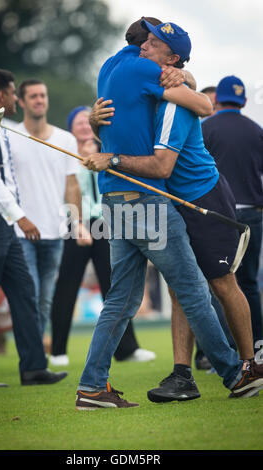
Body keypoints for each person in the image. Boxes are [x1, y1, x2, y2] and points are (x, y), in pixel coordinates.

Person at [74, 19, 263, 410]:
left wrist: (186, 76)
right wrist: (187, 82)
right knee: (195, 290)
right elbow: (205, 106)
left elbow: (133, 118)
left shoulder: (108, 67)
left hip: (118, 201)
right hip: (146, 201)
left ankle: (92, 387)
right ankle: (236, 374)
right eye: (150, 39)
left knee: (122, 301)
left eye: (156, 43)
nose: (149, 46)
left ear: (168, 54)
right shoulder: (150, 72)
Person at [0, 69, 67, 388]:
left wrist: (12, 218)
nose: (16, 101)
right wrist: (20, 216)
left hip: (1, 222)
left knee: (24, 292)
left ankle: (34, 367)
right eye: (12, 94)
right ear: (1, 97)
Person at [49, 106, 156, 366]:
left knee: (115, 284)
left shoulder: (106, 151)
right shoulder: (64, 153)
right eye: (79, 123)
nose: (85, 127)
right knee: (66, 285)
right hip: (74, 222)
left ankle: (127, 349)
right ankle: (58, 350)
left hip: (104, 221)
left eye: (88, 122)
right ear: (71, 127)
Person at [9, 79, 85, 338]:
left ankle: (36, 357)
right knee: (29, 295)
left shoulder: (65, 139)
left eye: (42, 95)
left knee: (44, 300)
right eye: (33, 96)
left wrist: (77, 223)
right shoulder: (9, 136)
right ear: (21, 102)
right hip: (22, 233)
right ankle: (33, 360)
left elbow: (72, 185)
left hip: (54, 232)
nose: (39, 100)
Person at [202, 75, 263, 353]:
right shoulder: (256, 130)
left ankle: (229, 349)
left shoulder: (205, 128)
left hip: (217, 216)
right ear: (244, 101)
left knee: (220, 284)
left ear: (216, 99)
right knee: (249, 283)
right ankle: (258, 346)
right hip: (252, 214)